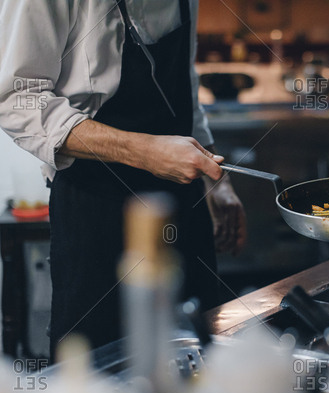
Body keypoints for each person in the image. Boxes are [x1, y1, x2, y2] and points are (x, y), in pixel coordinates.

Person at [0, 0, 246, 356]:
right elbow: (15, 99)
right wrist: (145, 152)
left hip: (182, 203)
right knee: (98, 374)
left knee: (198, 356)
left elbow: (185, 81)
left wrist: (217, 182)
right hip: (96, 211)